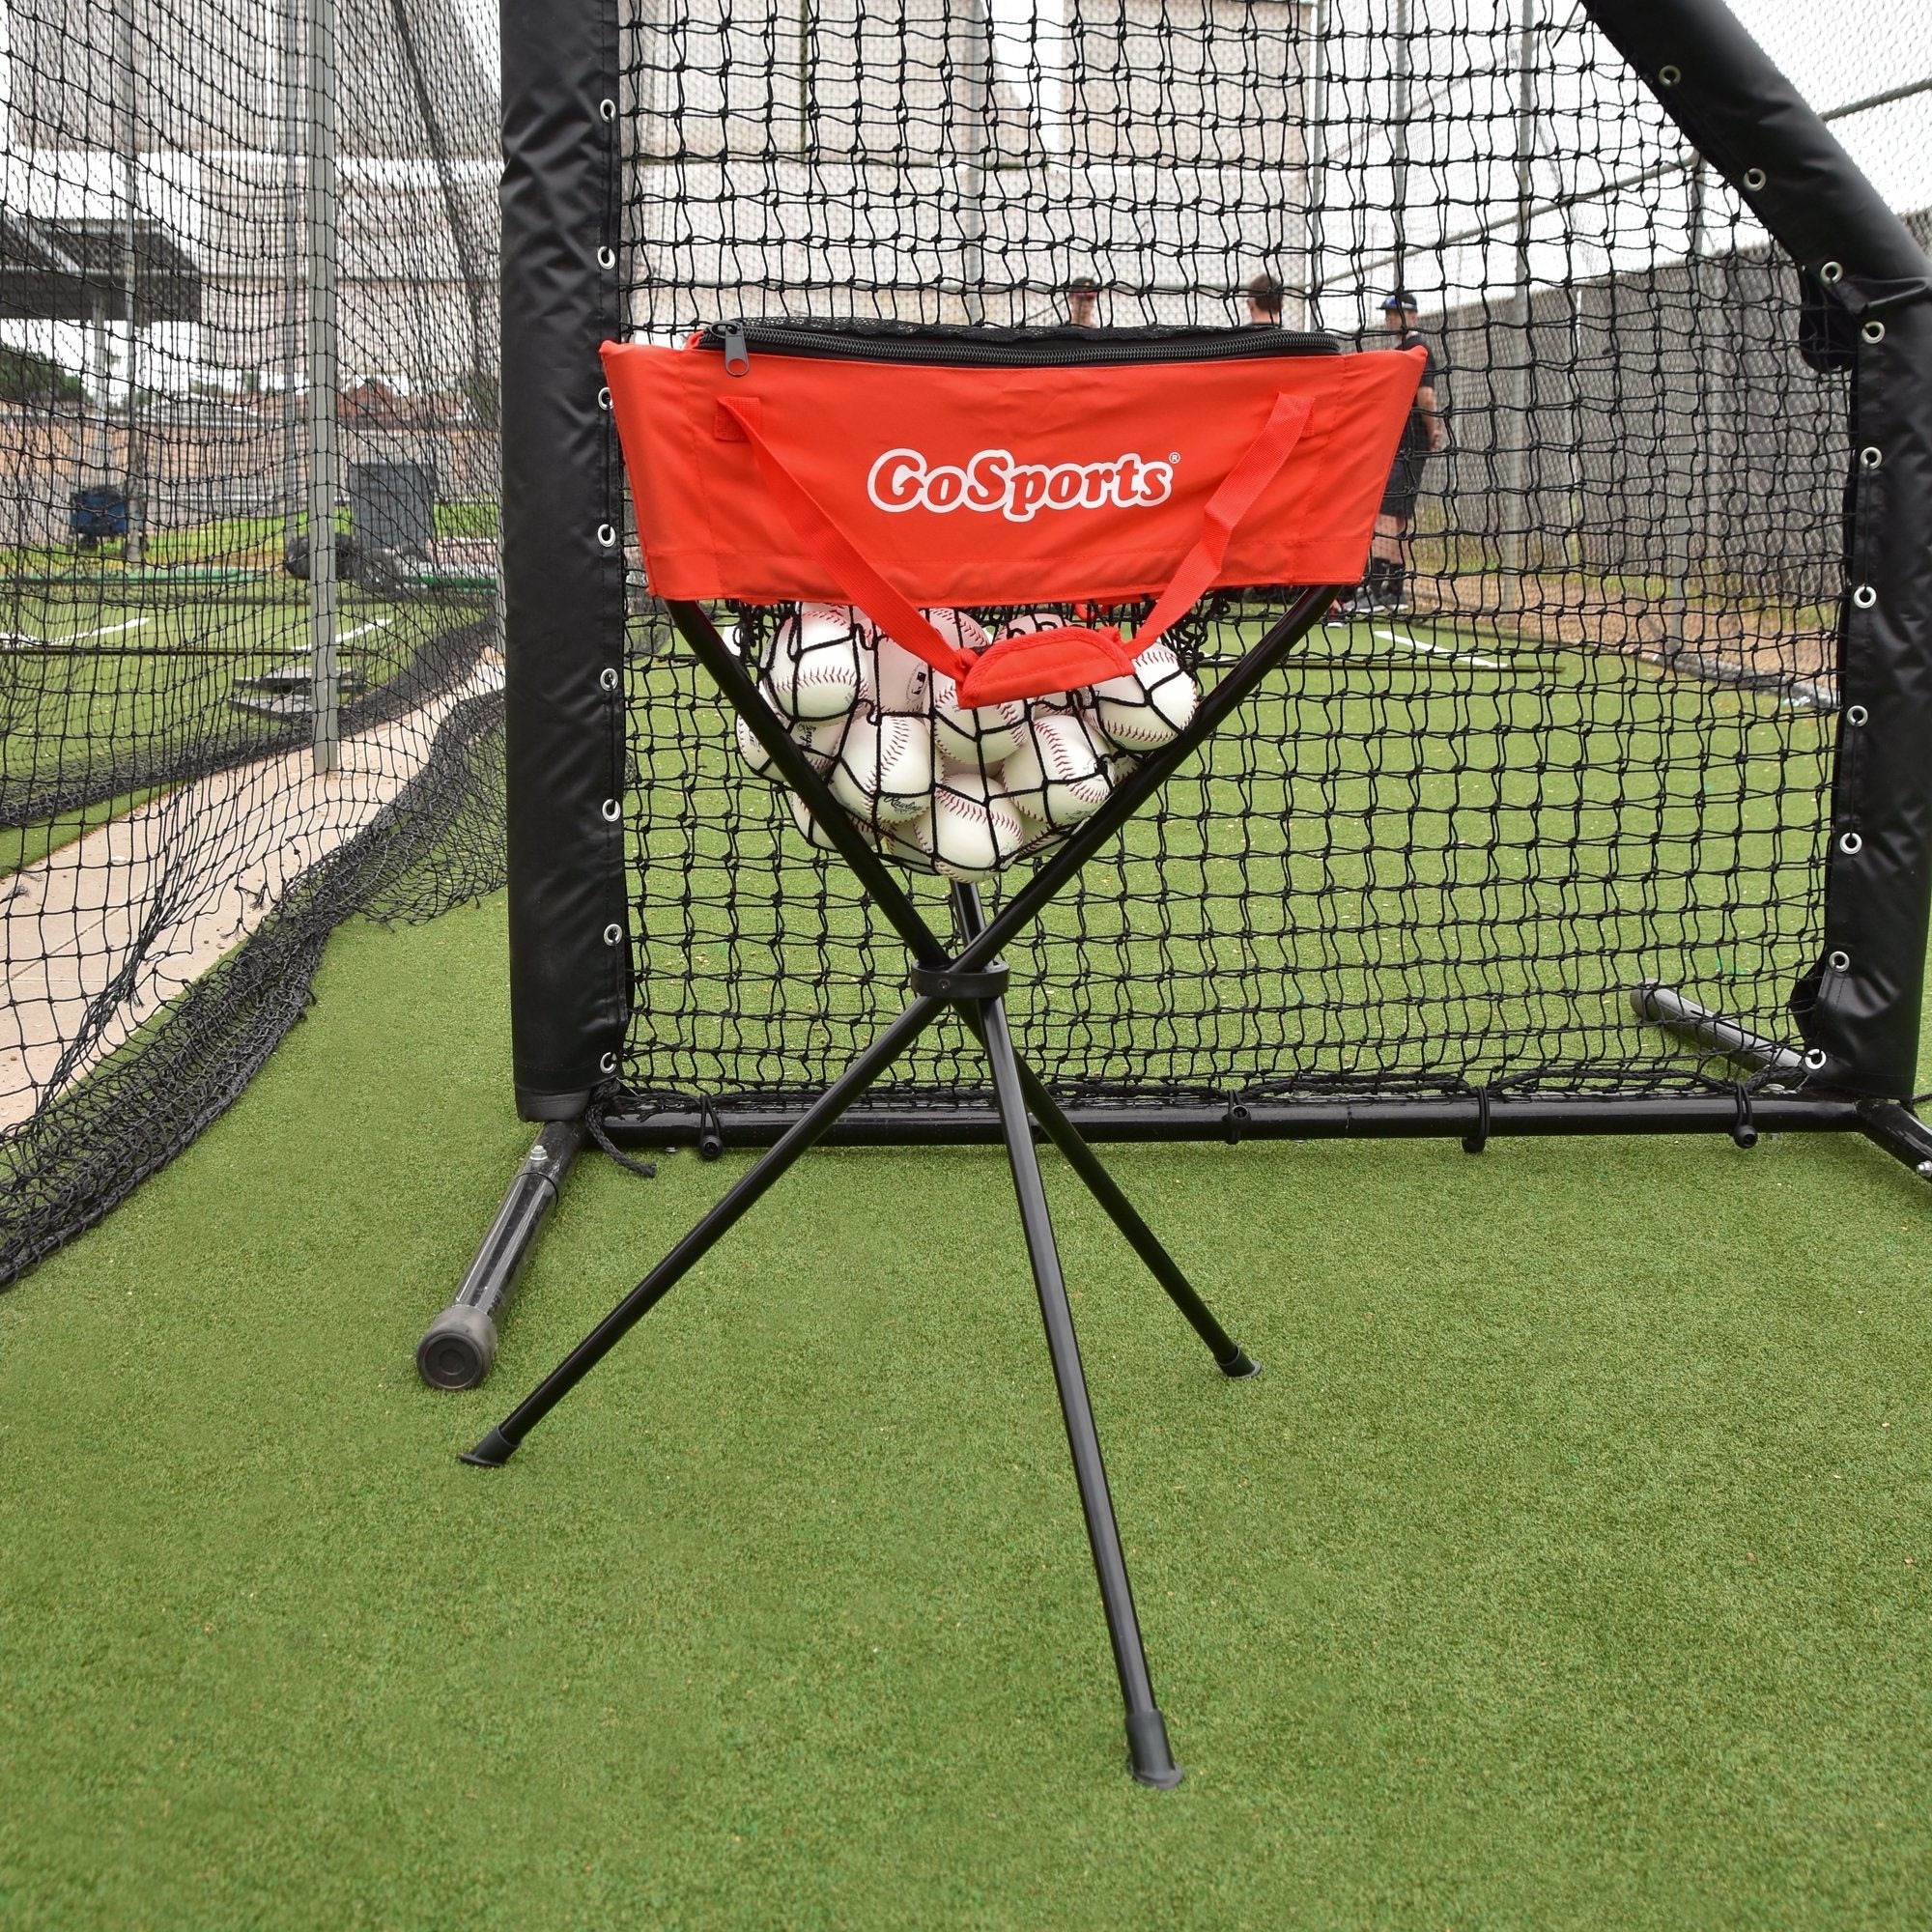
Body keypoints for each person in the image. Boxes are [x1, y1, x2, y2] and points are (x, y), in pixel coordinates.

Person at [1358, 289, 1444, 614]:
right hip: (1399, 444)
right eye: (1388, 313)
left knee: (1386, 511)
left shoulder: (1417, 348)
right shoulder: (1401, 349)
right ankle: (1394, 590)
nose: (1390, 318)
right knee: (1397, 515)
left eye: (1396, 313)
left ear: (1412, 316)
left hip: (1408, 445)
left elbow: (1427, 396)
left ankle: (1377, 587)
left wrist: (1433, 428)